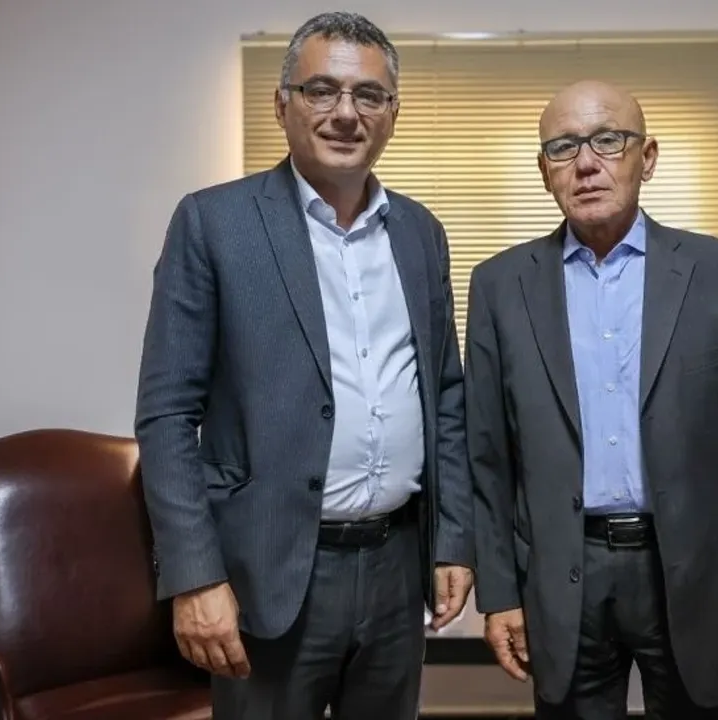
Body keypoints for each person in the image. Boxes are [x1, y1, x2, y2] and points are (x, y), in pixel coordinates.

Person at [134, 12, 474, 720]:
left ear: (393, 113)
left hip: (396, 565)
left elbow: (444, 394)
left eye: (368, 95)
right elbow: (167, 415)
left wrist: (453, 542)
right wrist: (194, 576)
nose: (346, 113)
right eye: (322, 90)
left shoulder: (420, 232)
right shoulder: (214, 224)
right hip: (269, 570)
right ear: (282, 103)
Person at [465, 79, 718, 719]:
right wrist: (499, 594)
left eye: (608, 140)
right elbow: (488, 459)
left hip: (700, 573)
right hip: (563, 576)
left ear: (647, 158)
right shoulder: (499, 285)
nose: (586, 163)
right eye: (563, 147)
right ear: (544, 171)